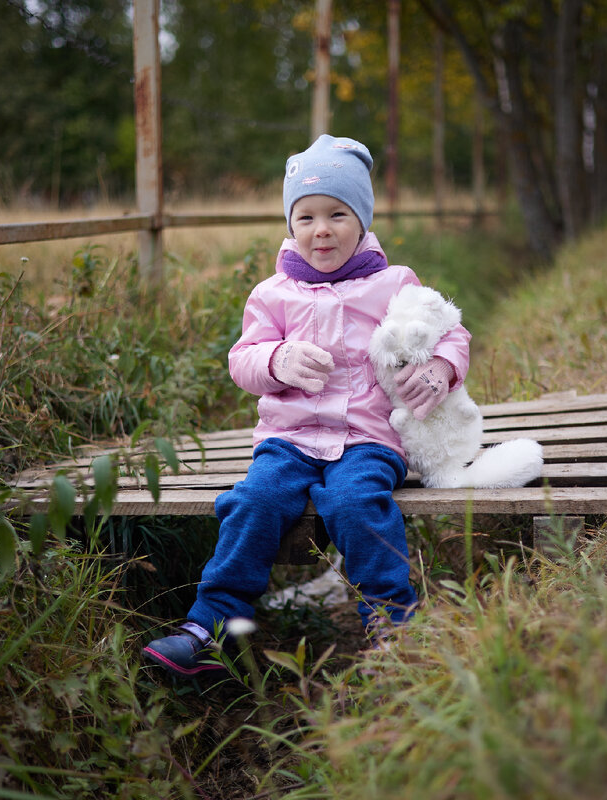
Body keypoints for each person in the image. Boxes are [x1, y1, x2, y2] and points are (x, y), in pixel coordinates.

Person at [141, 134, 471, 679]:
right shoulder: (272, 294)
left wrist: (440, 367)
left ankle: (394, 628)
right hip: (288, 440)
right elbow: (242, 360)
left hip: (367, 439)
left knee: (354, 502)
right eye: (307, 217)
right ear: (290, 225)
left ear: (362, 221)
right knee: (254, 501)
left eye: (338, 214)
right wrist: (277, 359)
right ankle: (211, 629)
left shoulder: (394, 284)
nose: (322, 229)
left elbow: (451, 333)